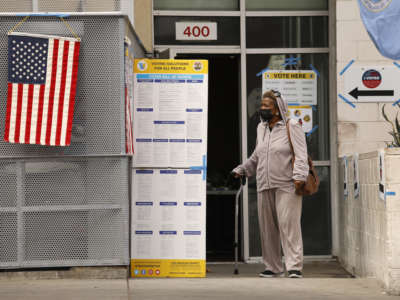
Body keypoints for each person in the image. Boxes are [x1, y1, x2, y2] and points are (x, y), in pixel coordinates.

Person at [232, 90, 309, 278]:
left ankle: (294, 267)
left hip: (287, 184)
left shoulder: (292, 127)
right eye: (261, 106)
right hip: (264, 184)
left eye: (266, 106)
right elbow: (257, 155)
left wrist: (299, 177)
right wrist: (243, 169)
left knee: (288, 226)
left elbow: (301, 155)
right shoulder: (261, 128)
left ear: (277, 109)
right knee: (267, 228)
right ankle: (273, 267)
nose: (262, 109)